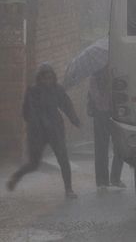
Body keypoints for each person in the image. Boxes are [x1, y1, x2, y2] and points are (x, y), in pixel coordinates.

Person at [6, 63, 81, 198]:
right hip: (37, 133)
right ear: (39, 78)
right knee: (34, 163)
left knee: (63, 159)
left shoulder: (57, 90)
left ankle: (69, 189)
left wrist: (75, 120)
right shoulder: (33, 92)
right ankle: (16, 176)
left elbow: (67, 105)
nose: (47, 81)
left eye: (50, 78)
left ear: (53, 78)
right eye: (44, 78)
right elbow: (27, 112)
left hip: (55, 130)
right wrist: (38, 123)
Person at [88, 66, 124, 189]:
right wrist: (107, 88)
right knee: (101, 149)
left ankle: (115, 178)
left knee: (120, 146)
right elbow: (98, 100)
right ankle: (102, 180)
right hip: (100, 115)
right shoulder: (94, 78)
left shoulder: (116, 76)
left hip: (116, 115)